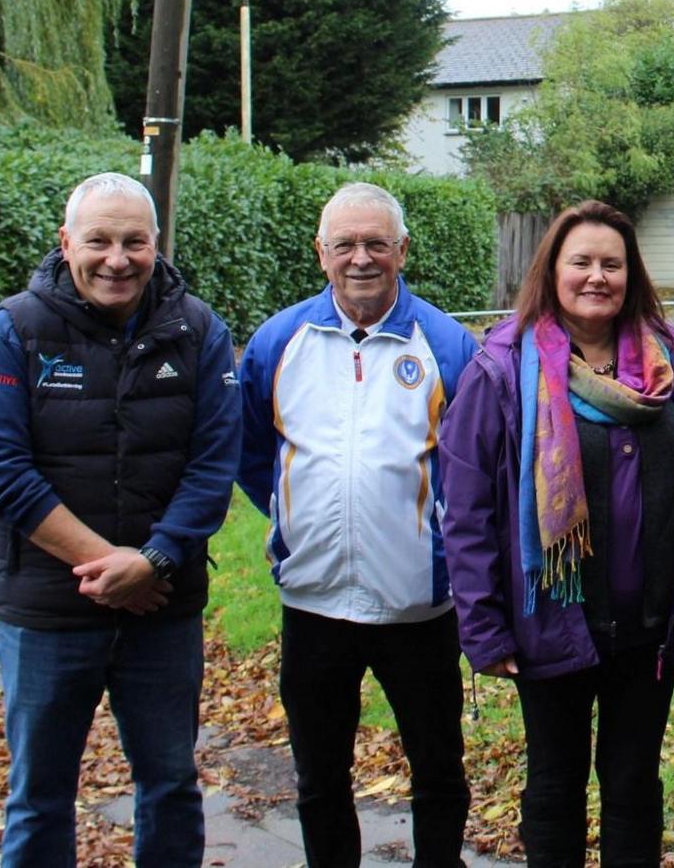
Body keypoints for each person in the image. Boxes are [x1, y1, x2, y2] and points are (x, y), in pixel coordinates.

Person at [0, 172, 241, 867]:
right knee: (39, 795)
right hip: (48, 612)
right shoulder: (16, 329)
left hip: (162, 609)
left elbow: (214, 466)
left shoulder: (198, 331)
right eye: (99, 240)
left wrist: (156, 560)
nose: (117, 258)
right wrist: (114, 568)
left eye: (134, 241)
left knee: (171, 784)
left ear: (156, 244)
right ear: (66, 242)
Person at [439, 200, 674, 868]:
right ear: (552, 271)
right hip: (551, 620)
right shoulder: (504, 368)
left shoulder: (671, 365)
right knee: (556, 786)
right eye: (581, 262)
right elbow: (466, 507)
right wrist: (483, 625)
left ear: (631, 273)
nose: (598, 276)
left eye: (612, 264)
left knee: (633, 786)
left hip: (647, 623)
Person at [237, 182, 476, 867]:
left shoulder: (447, 345)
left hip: (420, 606)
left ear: (402, 249)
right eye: (345, 244)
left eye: (377, 243)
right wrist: (294, 518)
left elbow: (474, 467)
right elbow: (255, 453)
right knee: (319, 776)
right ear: (321, 252)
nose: (362, 258)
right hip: (312, 601)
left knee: (438, 768)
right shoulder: (280, 341)